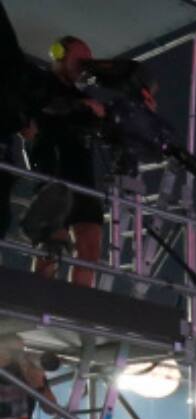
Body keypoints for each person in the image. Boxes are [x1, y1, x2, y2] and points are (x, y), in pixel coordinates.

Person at [26, 37, 107, 287]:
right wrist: (80, 105)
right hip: (53, 172)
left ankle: (78, 312)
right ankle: (37, 302)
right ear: (58, 53)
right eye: (79, 59)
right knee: (53, 241)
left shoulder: (83, 96)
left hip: (83, 178)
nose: (82, 66)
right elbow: (44, 109)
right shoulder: (40, 83)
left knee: (90, 246)